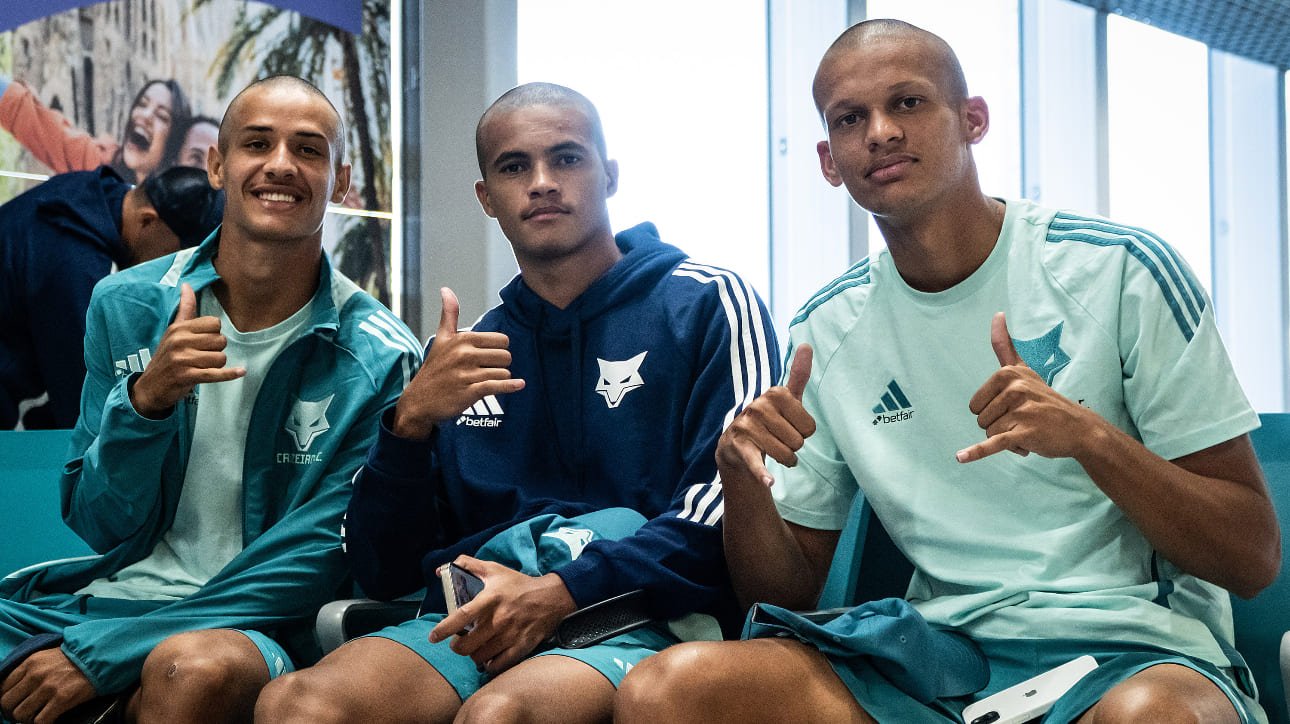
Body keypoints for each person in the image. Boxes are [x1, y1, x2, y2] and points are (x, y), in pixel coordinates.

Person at [613, 19, 1280, 724]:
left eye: (907, 102)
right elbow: (784, 596)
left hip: (1129, 654)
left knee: (1155, 719)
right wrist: (741, 484)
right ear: (829, 159)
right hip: (936, 659)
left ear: (972, 120)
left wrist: (1090, 438)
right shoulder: (827, 328)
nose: (880, 132)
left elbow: (1251, 556)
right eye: (850, 118)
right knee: (668, 691)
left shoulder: (1119, 269)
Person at [252, 82, 779, 724]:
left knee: (503, 717)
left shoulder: (705, 303)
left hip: (640, 614)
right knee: (297, 705)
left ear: (608, 175)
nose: (542, 182)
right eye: (514, 166)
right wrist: (408, 426)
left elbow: (725, 515)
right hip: (477, 619)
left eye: (567, 159)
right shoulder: (465, 353)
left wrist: (560, 592)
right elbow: (382, 570)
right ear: (487, 198)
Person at [0, 75, 419, 724]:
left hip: (264, 626)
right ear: (219, 166)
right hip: (109, 599)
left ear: (338, 184)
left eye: (309, 150)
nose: (281, 164)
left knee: (188, 669)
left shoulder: (381, 358)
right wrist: (147, 404)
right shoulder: (128, 305)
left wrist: (110, 650)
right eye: (257, 143)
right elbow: (97, 520)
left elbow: (311, 563)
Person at [0, 164, 224, 430]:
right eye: (179, 252)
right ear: (147, 220)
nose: (175, 268)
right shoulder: (74, 265)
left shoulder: (86, 193)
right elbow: (82, 410)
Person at [0, 76, 191, 184]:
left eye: (162, 116)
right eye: (142, 104)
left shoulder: (167, 225)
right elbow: (39, 126)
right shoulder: (98, 162)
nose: (146, 115)